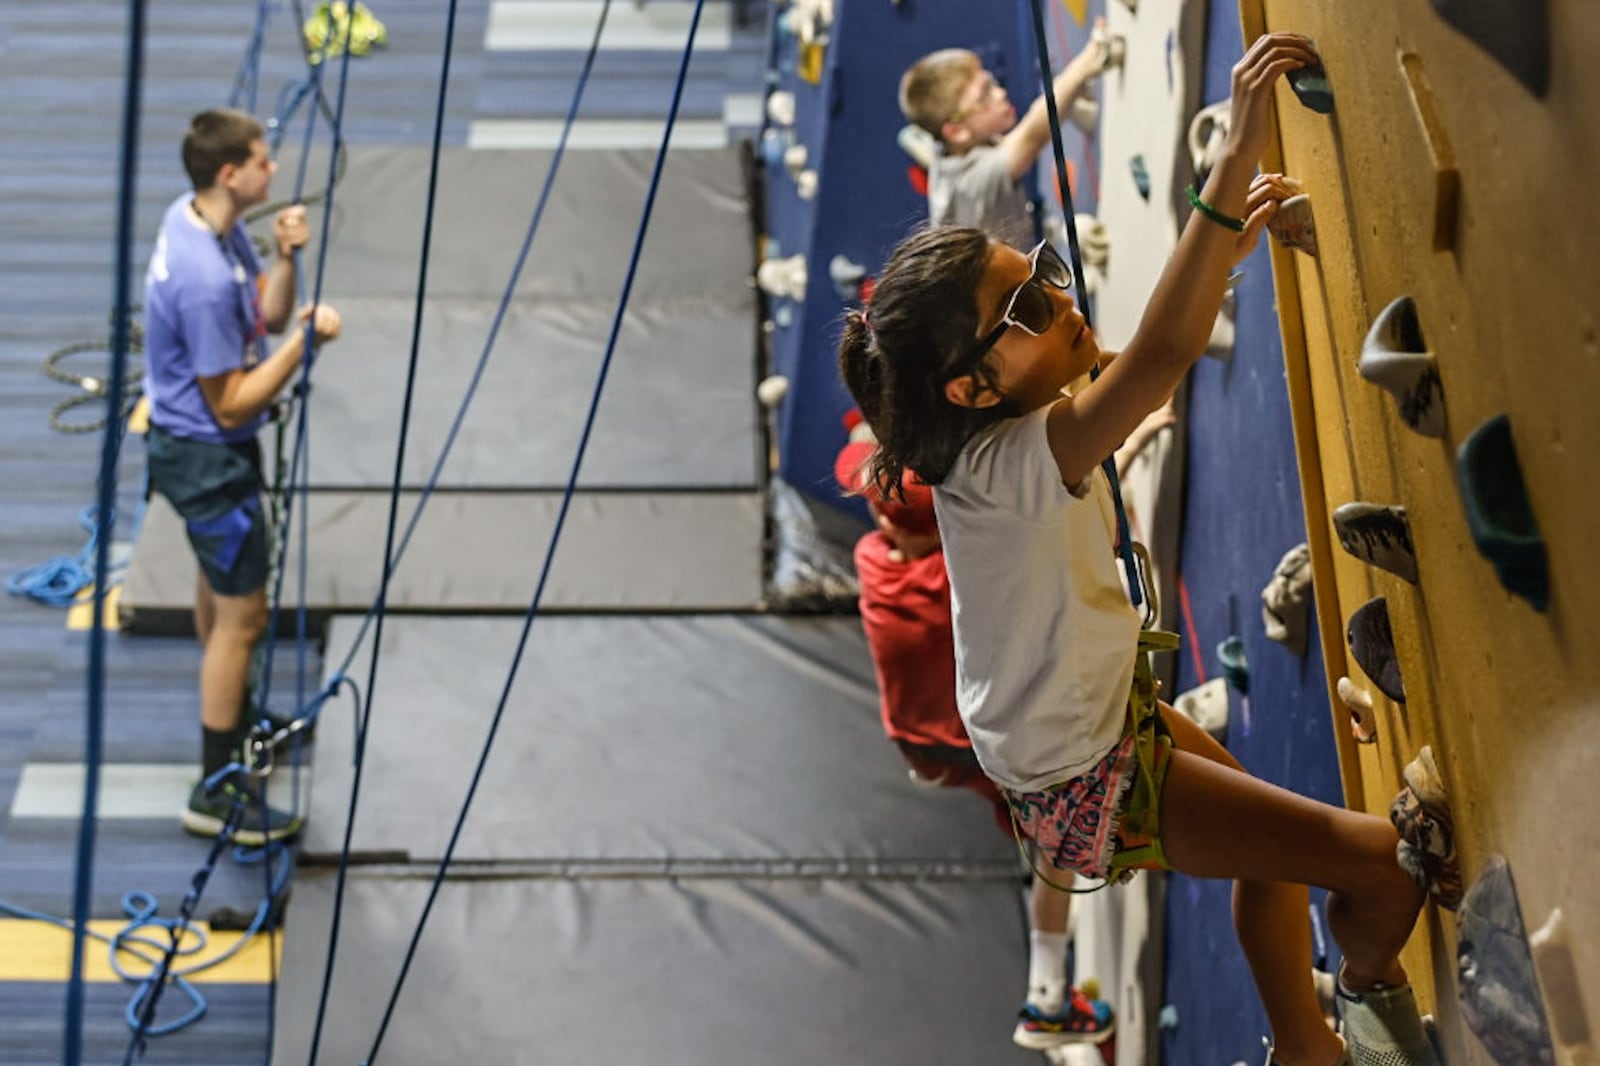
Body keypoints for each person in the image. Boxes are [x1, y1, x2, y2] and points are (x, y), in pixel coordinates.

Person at [840, 34, 1445, 1066]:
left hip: (1077, 742)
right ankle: (1357, 992)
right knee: (1386, 866)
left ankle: (1308, 1044)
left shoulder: (980, 437)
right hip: (1088, 773)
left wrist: (1228, 252)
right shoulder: (1017, 458)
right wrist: (1226, 171)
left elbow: (1132, 354)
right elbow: (1159, 360)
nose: (1061, 299)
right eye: (1029, 309)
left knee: (1276, 860)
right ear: (971, 388)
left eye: (1041, 274)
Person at [143, 108, 343, 846]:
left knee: (219, 598)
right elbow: (230, 403)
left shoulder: (202, 221)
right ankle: (217, 786)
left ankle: (230, 718)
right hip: (207, 457)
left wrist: (287, 261)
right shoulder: (198, 275)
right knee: (244, 619)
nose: (274, 168)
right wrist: (302, 346)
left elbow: (259, 313)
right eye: (263, 159)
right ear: (231, 174)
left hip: (201, 451)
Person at [899, 23, 1108, 249]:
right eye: (984, 96)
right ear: (956, 131)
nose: (1000, 94)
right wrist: (1087, 63)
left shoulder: (949, 145)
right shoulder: (972, 184)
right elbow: (1032, 135)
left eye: (991, 83)